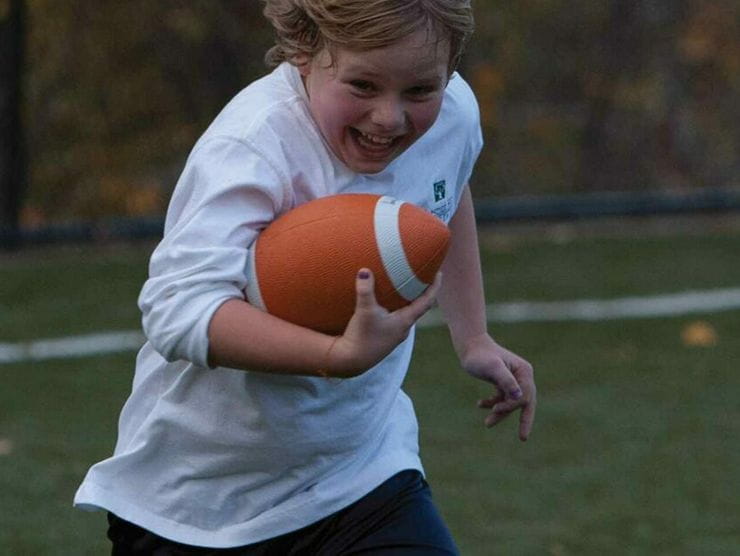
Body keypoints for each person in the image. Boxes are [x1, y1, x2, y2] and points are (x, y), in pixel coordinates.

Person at [74, 0, 537, 553]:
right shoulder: (252, 144)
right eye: (363, 85)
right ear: (304, 51)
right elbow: (178, 310)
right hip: (199, 506)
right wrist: (333, 356)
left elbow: (445, 186)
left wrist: (474, 336)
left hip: (363, 478)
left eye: (419, 91)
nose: (390, 117)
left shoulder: (453, 114)